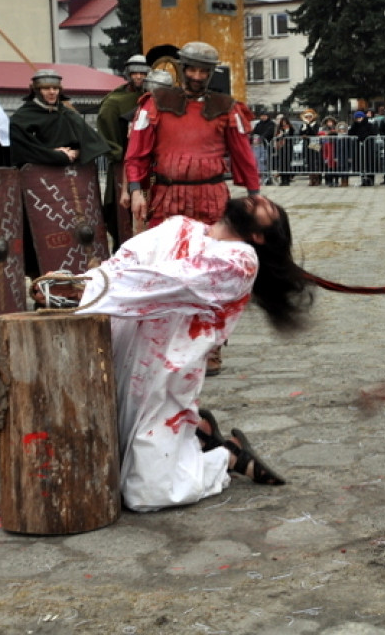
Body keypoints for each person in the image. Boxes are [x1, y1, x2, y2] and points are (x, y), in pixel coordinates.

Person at [77, 195, 314, 512]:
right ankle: (197, 434)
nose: (260, 199)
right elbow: (125, 260)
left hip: (163, 381)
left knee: (145, 495)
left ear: (258, 236)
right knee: (106, 470)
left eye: (269, 209)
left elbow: (165, 281)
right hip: (118, 355)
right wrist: (78, 284)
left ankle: (225, 456)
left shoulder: (240, 262)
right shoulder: (178, 227)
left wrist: (90, 286)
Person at [125, 41, 261, 377]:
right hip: (167, 198)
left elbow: (243, 155)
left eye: (204, 70)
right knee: (167, 271)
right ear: (182, 69)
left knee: (214, 273)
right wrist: (134, 189)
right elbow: (137, 151)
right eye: (192, 69)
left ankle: (211, 347)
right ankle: (165, 344)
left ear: (211, 73)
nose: (198, 76)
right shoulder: (155, 103)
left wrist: (255, 194)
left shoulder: (227, 108)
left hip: (211, 198)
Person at [97, 54, 150, 251]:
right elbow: (106, 135)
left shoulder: (156, 97)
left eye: (143, 73)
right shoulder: (114, 102)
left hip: (152, 166)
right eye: (135, 73)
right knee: (121, 218)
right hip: (124, 166)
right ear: (128, 74)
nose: (139, 77)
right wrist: (121, 154)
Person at [10, 69, 111, 168]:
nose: (52, 92)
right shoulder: (22, 117)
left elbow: (94, 143)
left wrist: (75, 153)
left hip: (72, 174)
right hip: (37, 174)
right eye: (46, 88)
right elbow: (26, 150)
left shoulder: (67, 114)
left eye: (55, 88)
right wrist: (56, 155)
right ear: (36, 91)